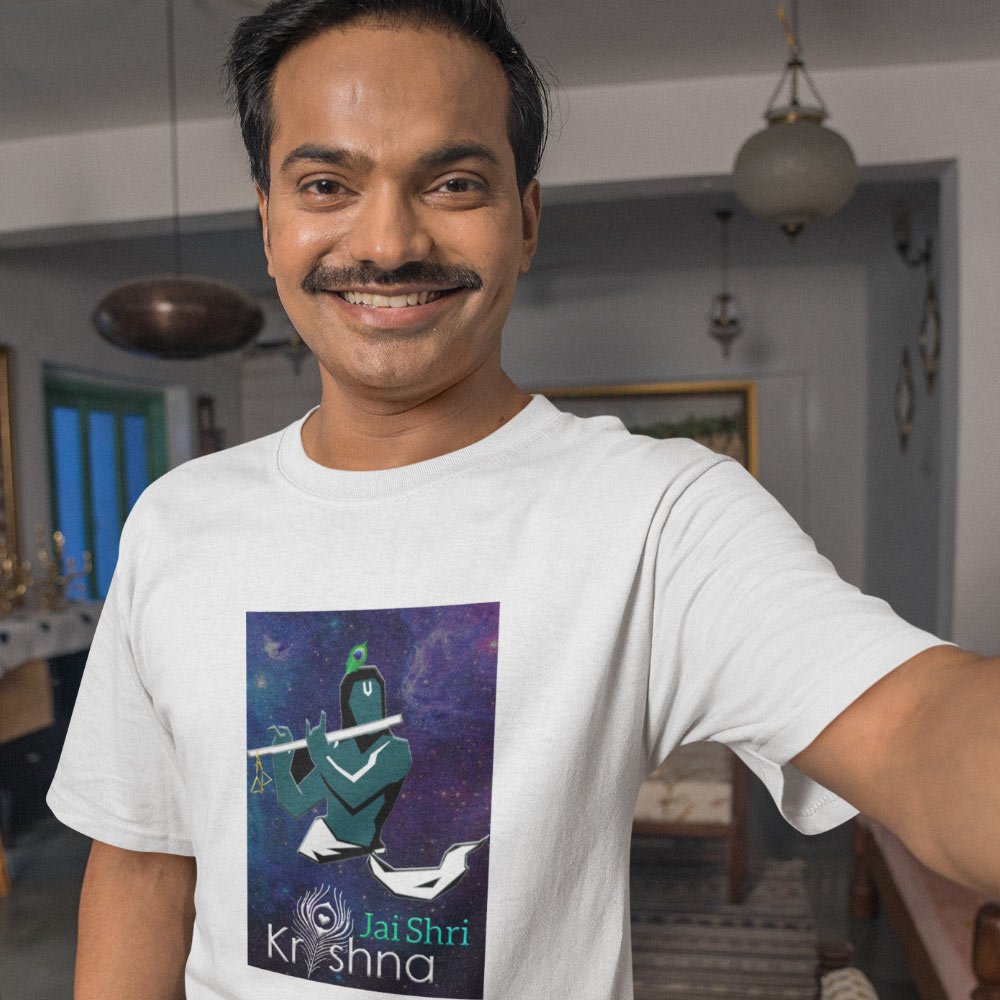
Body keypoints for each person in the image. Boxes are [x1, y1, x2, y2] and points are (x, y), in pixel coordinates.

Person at [46, 1, 999, 998]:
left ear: (526, 220)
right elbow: (144, 867)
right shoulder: (176, 522)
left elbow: (918, 728)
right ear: (269, 223)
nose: (387, 242)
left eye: (452, 182)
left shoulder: (657, 515)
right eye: (326, 184)